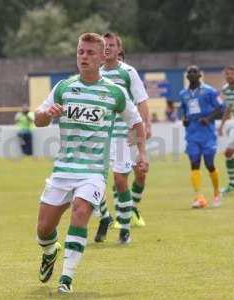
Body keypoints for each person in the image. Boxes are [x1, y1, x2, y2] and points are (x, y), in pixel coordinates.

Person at [34, 32, 148, 294]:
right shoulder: (63, 88)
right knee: (43, 230)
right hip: (63, 170)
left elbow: (136, 123)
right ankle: (50, 250)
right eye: (80, 52)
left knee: (82, 209)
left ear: (102, 57)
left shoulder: (114, 93)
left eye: (90, 53)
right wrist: (47, 115)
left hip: (93, 171)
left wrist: (142, 154)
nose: (84, 57)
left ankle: (66, 279)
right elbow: (38, 119)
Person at [95, 32, 151, 243]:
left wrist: (145, 125)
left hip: (121, 135)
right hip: (98, 136)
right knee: (93, 181)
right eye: (104, 45)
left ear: (119, 50)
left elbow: (141, 100)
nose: (107, 48)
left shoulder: (128, 72)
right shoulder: (95, 73)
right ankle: (105, 217)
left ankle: (125, 228)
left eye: (111, 45)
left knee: (120, 180)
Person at [179, 65, 223, 208]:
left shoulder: (209, 91)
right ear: (187, 76)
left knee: (209, 164)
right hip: (192, 134)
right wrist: (185, 120)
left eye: (194, 71)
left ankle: (217, 192)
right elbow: (184, 112)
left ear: (200, 75)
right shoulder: (183, 94)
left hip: (207, 134)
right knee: (194, 163)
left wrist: (209, 119)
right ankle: (199, 198)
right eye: (189, 72)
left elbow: (221, 109)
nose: (191, 73)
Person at [218, 65, 234, 195]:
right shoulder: (225, 90)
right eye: (227, 74)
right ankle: (233, 183)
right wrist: (221, 125)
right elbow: (229, 108)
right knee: (229, 153)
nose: (229, 76)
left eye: (231, 73)